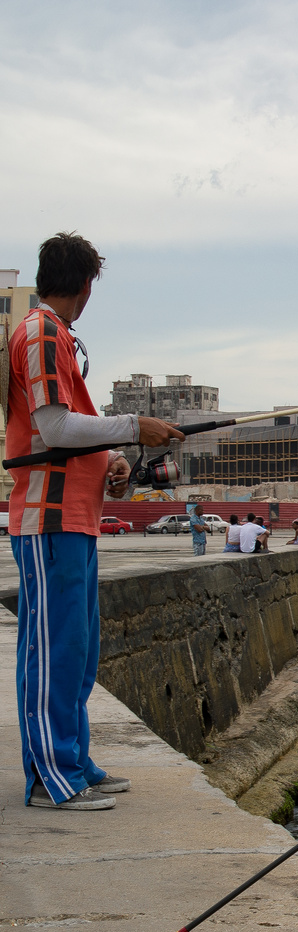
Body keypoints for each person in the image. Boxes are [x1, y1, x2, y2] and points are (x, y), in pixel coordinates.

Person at [8, 233, 184, 811]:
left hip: (77, 516)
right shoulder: (39, 334)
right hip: (48, 518)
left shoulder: (59, 337)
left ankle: (75, 760)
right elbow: (54, 429)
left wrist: (110, 459)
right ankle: (50, 778)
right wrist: (134, 427)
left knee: (80, 650)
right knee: (53, 650)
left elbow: (75, 429)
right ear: (85, 286)